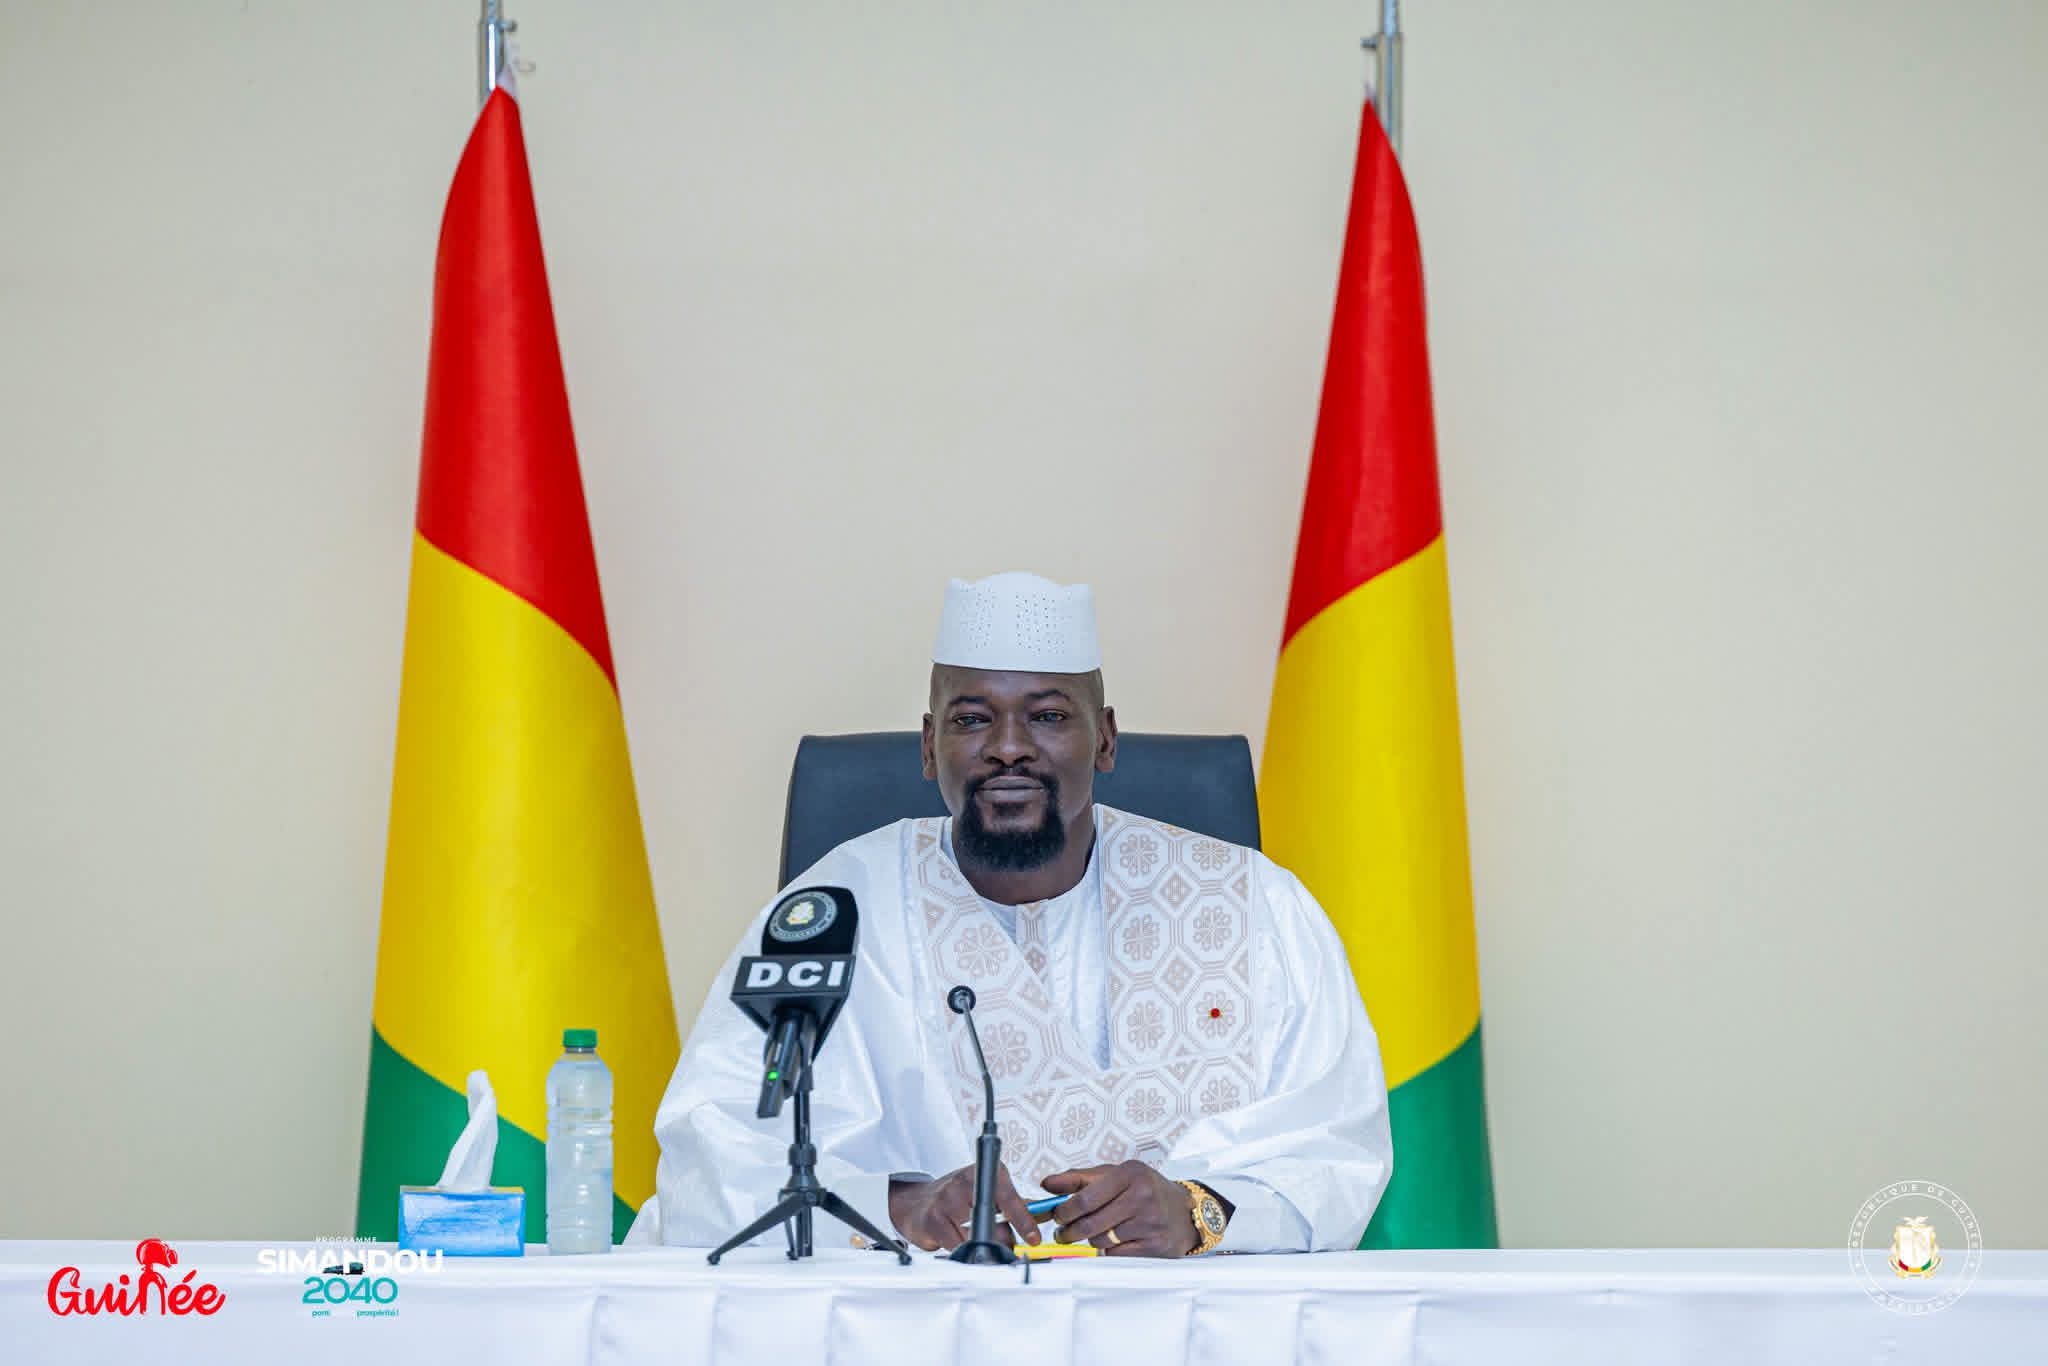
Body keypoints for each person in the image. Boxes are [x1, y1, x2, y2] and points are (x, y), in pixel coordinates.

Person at [643, 572, 1391, 1256]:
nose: (1008, 748)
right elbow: (713, 1154)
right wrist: (898, 1206)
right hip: (924, 1329)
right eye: (972, 719)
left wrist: (1197, 1210)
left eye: (1049, 716)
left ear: (1105, 739)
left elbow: (1339, 1151)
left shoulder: (1253, 904)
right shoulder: (837, 911)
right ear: (929, 747)